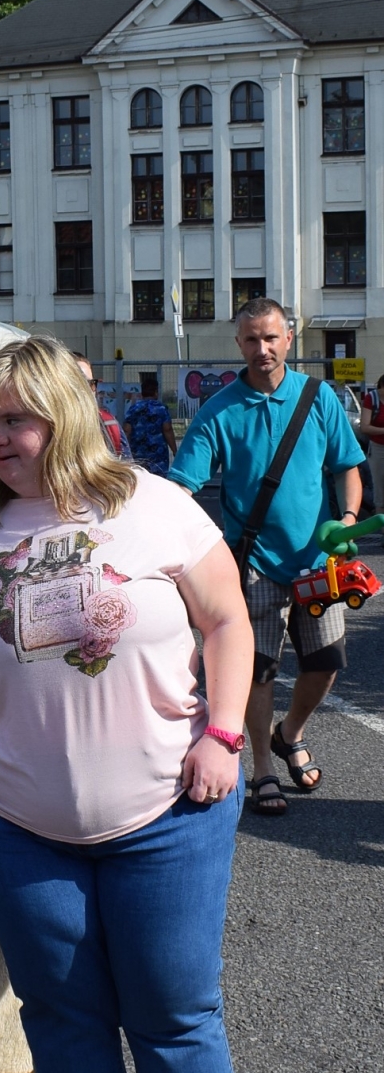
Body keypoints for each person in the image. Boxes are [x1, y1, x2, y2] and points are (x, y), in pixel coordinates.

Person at [0, 336, 253, 1073]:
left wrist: (224, 733)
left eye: (15, 419)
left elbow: (227, 620)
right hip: (16, 822)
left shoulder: (157, 506)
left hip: (168, 810)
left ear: (63, 416)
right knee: (60, 1007)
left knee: (173, 1002)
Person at [170, 297, 364, 816]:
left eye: (271, 337)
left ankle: (289, 733)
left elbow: (347, 466)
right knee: (257, 671)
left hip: (319, 563)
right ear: (239, 344)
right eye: (252, 339)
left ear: (289, 339)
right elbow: (182, 487)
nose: (263, 348)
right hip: (253, 564)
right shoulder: (219, 410)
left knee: (326, 664)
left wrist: (348, 519)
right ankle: (261, 766)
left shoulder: (318, 397)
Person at [72, 352, 131, 460]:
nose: (87, 390)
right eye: (79, 383)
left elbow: (127, 466)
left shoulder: (108, 424)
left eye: (91, 383)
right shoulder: (45, 430)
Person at [123, 374, 176, 475]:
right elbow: (167, 429)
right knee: (159, 479)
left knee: (140, 478)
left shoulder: (133, 408)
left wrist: (125, 450)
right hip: (158, 454)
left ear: (142, 393)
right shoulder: (161, 408)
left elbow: (127, 430)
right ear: (156, 392)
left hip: (138, 452)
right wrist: (174, 450)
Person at [359, 374, 384, 516]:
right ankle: (381, 524)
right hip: (378, 448)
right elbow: (364, 427)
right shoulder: (372, 399)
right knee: (379, 487)